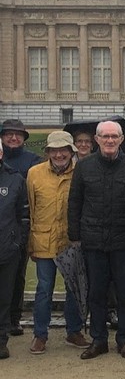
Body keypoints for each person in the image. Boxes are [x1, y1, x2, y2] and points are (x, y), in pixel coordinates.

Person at [67, 120, 125, 360]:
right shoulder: (84, 167)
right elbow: (75, 202)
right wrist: (75, 237)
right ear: (97, 140)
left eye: (114, 136)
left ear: (121, 140)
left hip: (124, 241)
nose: (110, 140)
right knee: (96, 293)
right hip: (93, 240)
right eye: (105, 136)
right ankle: (99, 339)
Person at [26, 131, 90, 354]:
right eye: (55, 150)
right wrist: (30, 243)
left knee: (74, 288)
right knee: (44, 289)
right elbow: (31, 210)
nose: (59, 154)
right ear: (48, 152)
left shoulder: (80, 172)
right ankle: (40, 334)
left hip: (70, 240)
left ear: (71, 151)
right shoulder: (34, 173)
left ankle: (73, 331)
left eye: (63, 150)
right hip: (43, 238)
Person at [1, 118, 41, 337]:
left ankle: (14, 318)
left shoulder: (33, 160)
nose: (13, 138)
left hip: (19, 226)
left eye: (18, 134)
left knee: (16, 276)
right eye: (9, 134)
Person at [0, 143, 29, 360]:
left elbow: (22, 214)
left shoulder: (15, 178)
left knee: (4, 298)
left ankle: (1, 340)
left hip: (6, 248)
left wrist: (17, 241)